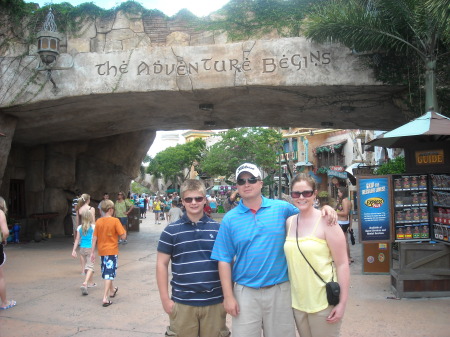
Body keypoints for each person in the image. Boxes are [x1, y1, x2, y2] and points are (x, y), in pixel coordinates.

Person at [211, 163, 337, 337]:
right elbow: (224, 259)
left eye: (251, 179)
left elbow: (306, 211)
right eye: (241, 181)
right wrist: (228, 296)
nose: (247, 184)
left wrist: (324, 209)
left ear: (261, 183)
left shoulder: (281, 209)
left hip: (280, 290)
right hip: (245, 292)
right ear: (237, 186)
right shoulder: (230, 219)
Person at [156, 179, 230, 337]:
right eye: (189, 199)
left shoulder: (218, 229)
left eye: (198, 198)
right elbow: (161, 264)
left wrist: (228, 297)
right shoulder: (171, 231)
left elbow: (227, 264)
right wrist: (165, 299)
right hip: (182, 302)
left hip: (214, 302)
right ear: (183, 201)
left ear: (205, 199)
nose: (194, 202)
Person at [285, 174, 349, 337]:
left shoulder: (328, 221)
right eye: (296, 194)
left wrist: (342, 303)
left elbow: (342, 264)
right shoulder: (290, 222)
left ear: (314, 194)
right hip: (298, 302)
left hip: (323, 302)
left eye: (306, 193)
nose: (301, 197)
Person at [90, 200, 126, 307]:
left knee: (107, 271)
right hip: (112, 250)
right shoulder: (115, 221)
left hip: (102, 251)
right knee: (109, 274)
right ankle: (105, 297)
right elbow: (123, 236)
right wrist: (124, 230)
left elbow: (94, 238)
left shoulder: (99, 221)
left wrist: (92, 252)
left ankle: (112, 290)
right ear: (111, 210)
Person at [72, 209, 96, 295]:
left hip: (82, 248)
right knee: (90, 267)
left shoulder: (79, 227)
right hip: (89, 248)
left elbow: (77, 239)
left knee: (87, 266)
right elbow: (94, 239)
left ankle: (91, 283)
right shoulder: (93, 227)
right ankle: (85, 283)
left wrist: (74, 250)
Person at [0, 196, 16, 310]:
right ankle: (4, 302)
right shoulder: (0, 213)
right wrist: (4, 239)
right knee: (0, 277)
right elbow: (5, 232)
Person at [75, 193, 96, 272]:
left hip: (82, 227)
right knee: (90, 248)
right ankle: (89, 267)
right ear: (88, 200)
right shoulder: (91, 208)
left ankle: (83, 269)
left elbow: (78, 220)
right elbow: (93, 220)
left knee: (82, 252)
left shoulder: (79, 208)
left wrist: (77, 228)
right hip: (90, 228)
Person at [335, 186, 353, 264]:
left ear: (342, 192)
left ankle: (347, 258)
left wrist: (335, 212)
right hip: (345, 223)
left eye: (339, 192)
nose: (338, 194)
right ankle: (348, 257)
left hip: (342, 223)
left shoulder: (344, 201)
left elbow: (345, 213)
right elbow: (350, 215)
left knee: (343, 241)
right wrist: (351, 225)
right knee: (345, 241)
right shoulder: (348, 201)